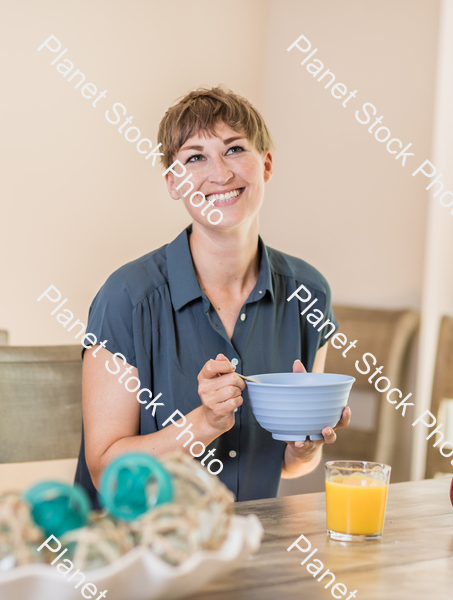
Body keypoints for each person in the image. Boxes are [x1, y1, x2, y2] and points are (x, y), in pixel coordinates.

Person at [75, 86, 350, 504]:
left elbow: (293, 465)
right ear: (174, 182)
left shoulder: (308, 293)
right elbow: (105, 471)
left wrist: (305, 445)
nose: (220, 174)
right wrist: (204, 423)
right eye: (195, 157)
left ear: (267, 164)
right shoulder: (126, 297)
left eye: (235, 149)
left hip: (247, 549)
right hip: (134, 551)